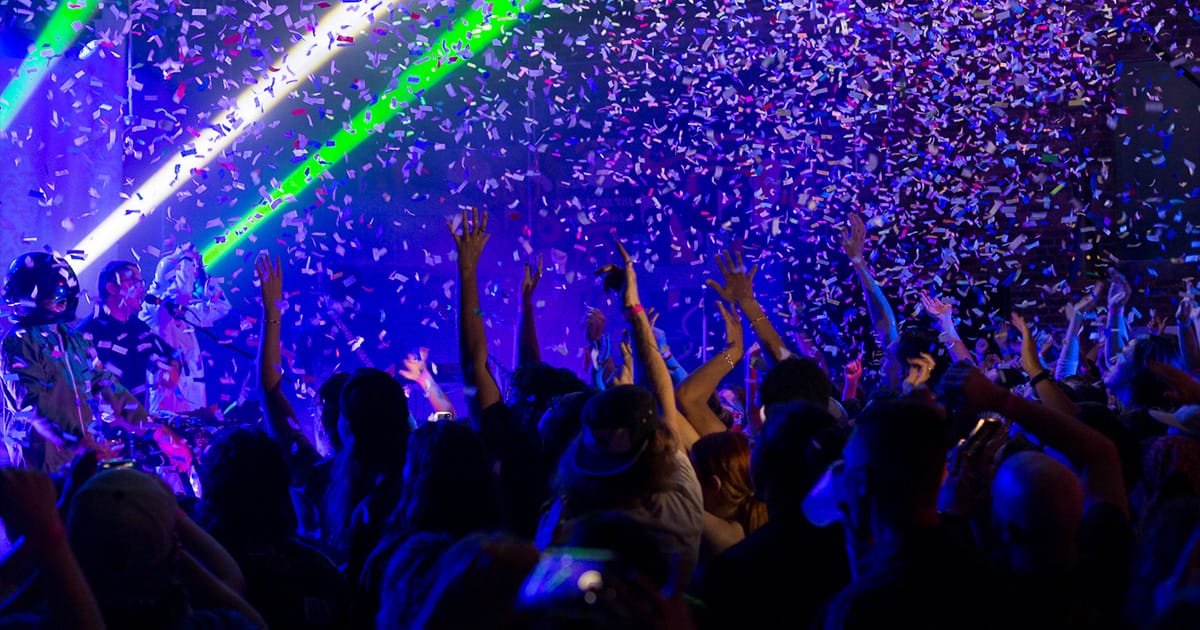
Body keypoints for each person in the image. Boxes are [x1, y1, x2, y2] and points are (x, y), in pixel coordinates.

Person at [1, 252, 147, 471]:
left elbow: (104, 382)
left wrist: (149, 424)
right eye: (51, 297)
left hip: (81, 458)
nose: (59, 302)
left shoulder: (73, 338)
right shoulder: (19, 342)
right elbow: (33, 404)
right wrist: (83, 442)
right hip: (41, 466)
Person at [140, 245, 231, 415]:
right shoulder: (151, 308)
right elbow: (179, 292)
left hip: (195, 396)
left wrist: (203, 278)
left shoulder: (187, 313)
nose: (190, 277)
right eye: (187, 274)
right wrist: (187, 260)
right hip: (167, 398)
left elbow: (222, 308)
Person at [77, 259, 175, 407]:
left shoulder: (138, 327)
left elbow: (171, 357)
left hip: (140, 423)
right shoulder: (87, 332)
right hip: (102, 426)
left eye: (141, 282)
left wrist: (169, 373)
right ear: (111, 287)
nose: (141, 288)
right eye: (134, 282)